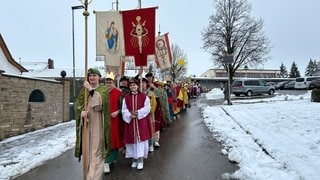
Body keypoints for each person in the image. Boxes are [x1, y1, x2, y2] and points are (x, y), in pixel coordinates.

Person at [74, 68, 111, 180]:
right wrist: (81, 113)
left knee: (96, 154)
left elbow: (100, 106)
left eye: (94, 75)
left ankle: (93, 178)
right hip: (86, 125)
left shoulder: (103, 90)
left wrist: (91, 90)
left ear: (99, 77)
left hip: (98, 124)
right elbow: (78, 107)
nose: (92, 78)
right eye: (90, 76)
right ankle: (86, 177)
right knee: (87, 155)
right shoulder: (83, 91)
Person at [122, 78, 152, 170]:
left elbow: (147, 108)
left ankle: (140, 160)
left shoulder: (144, 96)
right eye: (130, 85)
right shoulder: (126, 97)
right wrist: (129, 115)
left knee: (140, 141)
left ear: (137, 86)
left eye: (134, 85)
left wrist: (138, 113)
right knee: (132, 142)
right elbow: (124, 109)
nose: (132, 87)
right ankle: (134, 159)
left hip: (140, 122)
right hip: (131, 123)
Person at [103, 73, 124, 173]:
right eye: (106, 82)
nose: (108, 84)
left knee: (115, 139)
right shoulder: (101, 93)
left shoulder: (118, 93)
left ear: (114, 83)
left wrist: (117, 112)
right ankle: (106, 162)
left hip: (115, 120)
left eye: (110, 82)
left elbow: (122, 107)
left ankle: (113, 158)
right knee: (106, 140)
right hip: (104, 120)